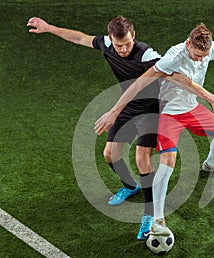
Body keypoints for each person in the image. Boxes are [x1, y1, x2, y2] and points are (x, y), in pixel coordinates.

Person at [94, 23, 214, 236]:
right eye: (195, 56)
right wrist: (114, 112)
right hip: (168, 113)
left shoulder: (209, 49)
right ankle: (158, 219)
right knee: (168, 161)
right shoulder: (171, 57)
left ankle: (210, 164)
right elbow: (138, 84)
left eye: (203, 57)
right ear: (187, 44)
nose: (199, 60)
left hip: (191, 108)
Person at [27, 15, 163, 240]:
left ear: (134, 36)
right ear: (110, 39)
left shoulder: (147, 54)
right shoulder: (107, 45)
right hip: (127, 107)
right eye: (119, 45)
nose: (123, 49)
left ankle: (149, 215)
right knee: (110, 154)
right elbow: (80, 38)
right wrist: (49, 28)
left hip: (151, 110)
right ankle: (130, 187)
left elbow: (171, 71)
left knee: (142, 158)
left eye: (128, 43)